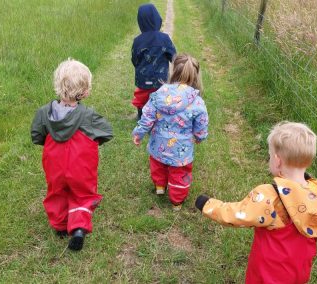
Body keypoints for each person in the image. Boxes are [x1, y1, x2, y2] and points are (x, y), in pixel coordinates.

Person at [195, 121, 317, 283]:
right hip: (299, 273)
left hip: (266, 275)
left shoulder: (270, 195)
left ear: (277, 160)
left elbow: (237, 215)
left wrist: (208, 204)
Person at [31, 59, 113, 251]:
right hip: (81, 166)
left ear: (58, 86)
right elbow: (107, 132)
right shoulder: (88, 116)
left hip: (54, 163)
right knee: (82, 193)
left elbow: (36, 136)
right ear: (85, 91)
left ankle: (59, 225)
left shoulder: (44, 113)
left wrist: (50, 141)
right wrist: (93, 139)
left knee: (56, 191)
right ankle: (78, 228)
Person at [132, 54, 208, 211]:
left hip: (158, 144)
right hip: (181, 150)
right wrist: (200, 136)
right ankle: (176, 201)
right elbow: (201, 123)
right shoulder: (197, 101)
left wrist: (139, 133)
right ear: (195, 75)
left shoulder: (160, 94)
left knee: (158, 164)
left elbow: (147, 117)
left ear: (172, 71)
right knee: (180, 173)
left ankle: (160, 187)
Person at [131, 3, 176, 120]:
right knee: (162, 96)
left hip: (142, 79)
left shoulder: (137, 41)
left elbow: (134, 60)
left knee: (141, 97)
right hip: (160, 79)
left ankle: (141, 115)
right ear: (157, 18)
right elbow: (174, 57)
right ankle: (160, 116)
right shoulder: (164, 38)